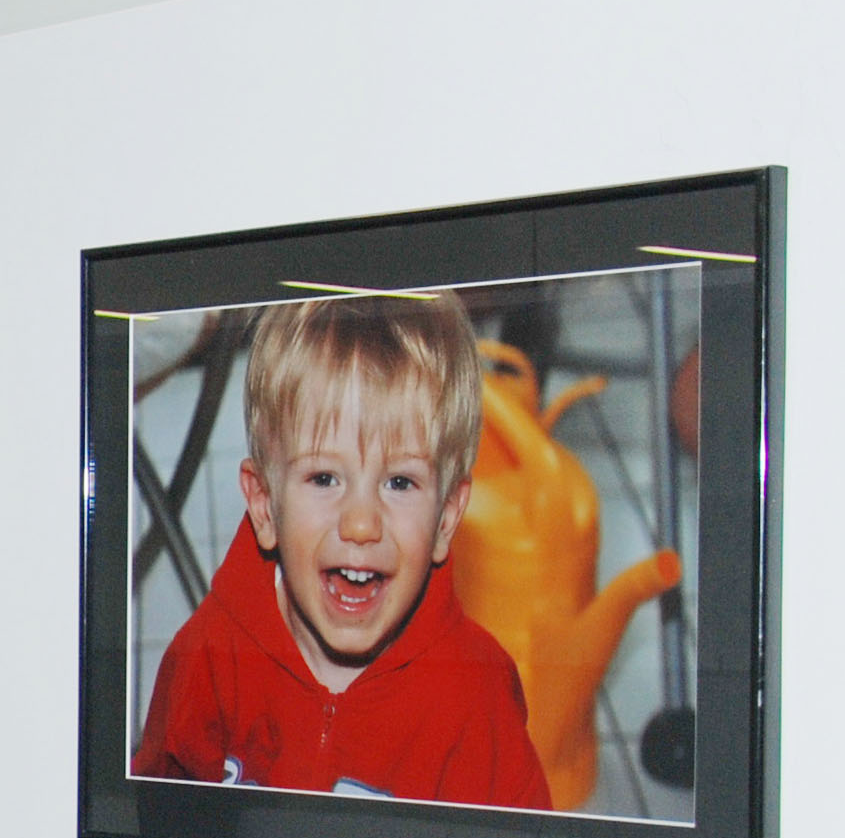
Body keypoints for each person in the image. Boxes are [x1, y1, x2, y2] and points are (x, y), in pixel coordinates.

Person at [133, 293, 550, 809]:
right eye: (324, 478)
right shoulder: (207, 658)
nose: (360, 524)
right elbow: (151, 821)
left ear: (446, 518)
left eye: (400, 482)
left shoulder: (476, 698)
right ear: (264, 505)